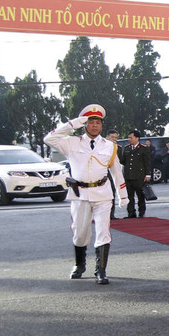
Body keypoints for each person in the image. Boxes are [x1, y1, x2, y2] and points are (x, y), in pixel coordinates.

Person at [44, 104, 127, 285]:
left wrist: (123, 195)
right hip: (80, 194)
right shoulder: (72, 142)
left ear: (102, 125)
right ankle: (79, 264)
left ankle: (101, 270)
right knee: (81, 233)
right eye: (90, 122)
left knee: (103, 231)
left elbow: (116, 172)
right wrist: (74, 123)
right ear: (85, 124)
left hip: (102, 193)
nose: (94, 125)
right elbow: (49, 138)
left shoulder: (110, 146)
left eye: (98, 122)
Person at [122, 130, 153, 218]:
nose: (129, 139)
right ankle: (131, 213)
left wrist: (148, 174)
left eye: (131, 137)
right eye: (129, 137)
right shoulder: (127, 148)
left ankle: (141, 212)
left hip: (139, 176)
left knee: (140, 195)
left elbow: (147, 162)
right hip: (128, 176)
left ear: (137, 138)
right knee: (129, 196)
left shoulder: (143, 148)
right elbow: (124, 161)